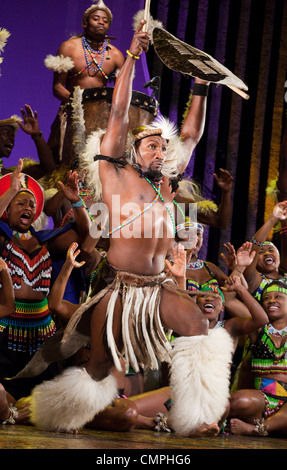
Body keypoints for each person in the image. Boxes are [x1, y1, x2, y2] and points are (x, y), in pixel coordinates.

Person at [11, 21, 233, 437]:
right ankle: (45, 412)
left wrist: (201, 85)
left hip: (159, 288)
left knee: (200, 330)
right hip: (121, 291)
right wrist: (132, 55)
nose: (160, 150)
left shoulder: (164, 185)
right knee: (96, 366)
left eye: (162, 147)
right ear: (131, 148)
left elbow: (191, 134)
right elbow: (117, 108)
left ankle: (196, 415)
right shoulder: (114, 174)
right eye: (151, 144)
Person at [0, 159, 90, 414]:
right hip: (5, 332)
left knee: (43, 404)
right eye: (20, 202)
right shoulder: (3, 239)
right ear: (6, 210)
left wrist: (77, 202)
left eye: (32, 204)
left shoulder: (46, 242)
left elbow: (87, 236)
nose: (28, 206)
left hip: (42, 335)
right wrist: (9, 191)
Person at [45, 0, 125, 164]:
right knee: (59, 163)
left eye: (105, 20)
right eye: (96, 18)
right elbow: (58, 87)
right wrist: (78, 105)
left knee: (94, 165)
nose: (101, 22)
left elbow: (121, 93)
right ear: (85, 23)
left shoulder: (116, 56)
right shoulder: (69, 48)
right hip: (71, 114)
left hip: (99, 119)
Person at [228, 279, 287, 437]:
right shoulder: (257, 328)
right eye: (266, 298)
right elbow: (228, 301)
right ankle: (265, 427)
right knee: (236, 401)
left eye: (278, 296)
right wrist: (240, 287)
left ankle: (255, 430)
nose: (272, 300)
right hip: (261, 401)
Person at [0, 105, 56, 180]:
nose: (12, 139)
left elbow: (47, 168)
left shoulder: (10, 176)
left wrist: (36, 135)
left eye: (13, 136)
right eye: (6, 134)